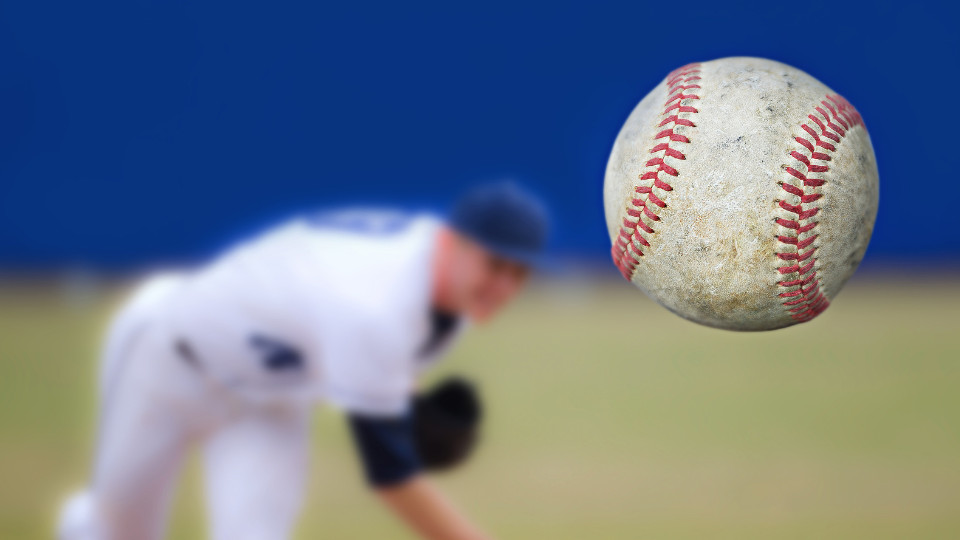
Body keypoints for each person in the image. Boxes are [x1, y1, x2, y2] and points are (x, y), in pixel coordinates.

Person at [57, 182, 549, 540]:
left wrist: (408, 402)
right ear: (450, 242)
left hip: (270, 402)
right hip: (172, 357)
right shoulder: (376, 303)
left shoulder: (450, 300)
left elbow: (389, 361)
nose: (504, 286)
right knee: (116, 532)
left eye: (519, 272)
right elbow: (392, 477)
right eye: (495, 264)